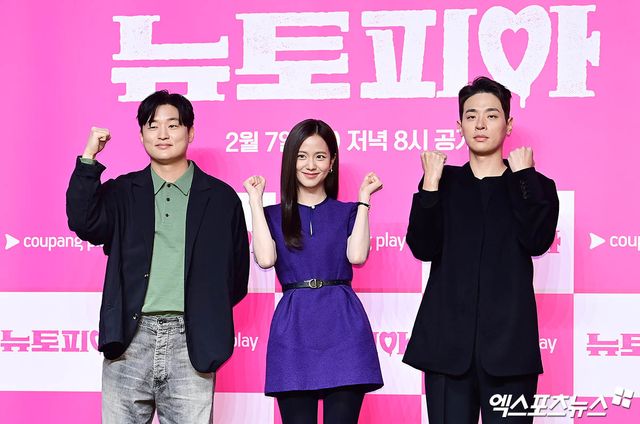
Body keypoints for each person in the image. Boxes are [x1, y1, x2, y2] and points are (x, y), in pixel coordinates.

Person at [66, 90, 249, 423]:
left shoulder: (222, 199)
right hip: (129, 340)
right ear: (141, 135)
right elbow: (83, 222)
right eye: (153, 126)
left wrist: (202, 314)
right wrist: (89, 159)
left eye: (173, 125)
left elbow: (235, 278)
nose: (163, 134)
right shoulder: (123, 192)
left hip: (192, 343)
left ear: (190, 132)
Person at [403, 77, 559, 424]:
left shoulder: (535, 185)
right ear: (459, 125)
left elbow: (537, 241)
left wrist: (524, 178)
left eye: (491, 115)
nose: (480, 124)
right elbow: (422, 247)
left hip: (510, 349)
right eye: (471, 116)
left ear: (509, 124)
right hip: (446, 348)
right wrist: (430, 185)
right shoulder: (442, 182)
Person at [244, 119, 383, 423]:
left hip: (343, 326)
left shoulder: (348, 211)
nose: (310, 165)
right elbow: (265, 259)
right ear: (290, 161)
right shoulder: (272, 215)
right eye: (302, 156)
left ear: (332, 162)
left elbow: (357, 256)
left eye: (320, 156)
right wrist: (255, 202)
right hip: (293, 327)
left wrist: (364, 200)